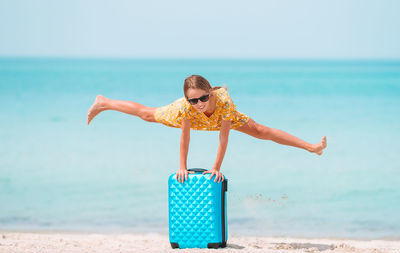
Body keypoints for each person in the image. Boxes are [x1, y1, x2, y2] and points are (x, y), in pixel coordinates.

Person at [87, 75, 327, 183]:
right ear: (187, 99)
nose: (199, 104)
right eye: (194, 100)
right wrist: (182, 166)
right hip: (189, 119)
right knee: (147, 115)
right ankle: (104, 102)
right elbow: (185, 137)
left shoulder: (223, 102)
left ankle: (311, 147)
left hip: (221, 119)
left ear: (209, 92)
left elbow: (224, 138)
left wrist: (215, 168)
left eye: (202, 98)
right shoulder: (187, 108)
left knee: (260, 131)